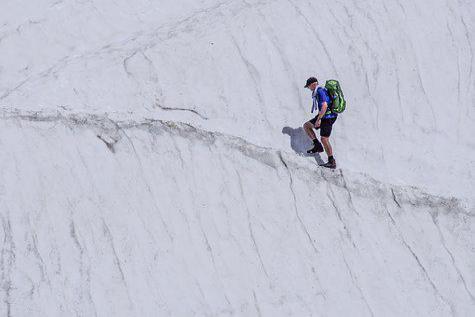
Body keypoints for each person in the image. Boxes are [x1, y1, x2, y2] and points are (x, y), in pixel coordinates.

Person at [303, 77, 337, 169]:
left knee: (324, 139)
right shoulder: (320, 90)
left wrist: (319, 119)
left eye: (308, 86)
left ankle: (332, 161)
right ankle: (317, 146)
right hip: (324, 116)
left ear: (313, 84)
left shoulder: (320, 91)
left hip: (328, 117)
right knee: (307, 126)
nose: (308, 88)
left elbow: (325, 105)